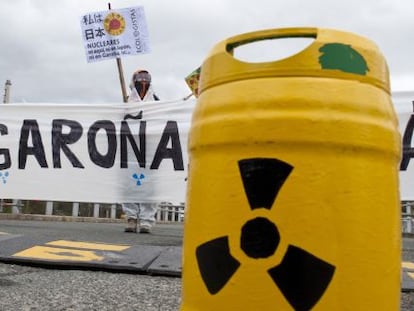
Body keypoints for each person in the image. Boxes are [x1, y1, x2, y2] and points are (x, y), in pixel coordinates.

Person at [123, 69, 160, 233]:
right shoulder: (125, 102)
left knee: (150, 186)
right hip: (130, 149)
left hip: (151, 150)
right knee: (129, 184)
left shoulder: (157, 102)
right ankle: (131, 217)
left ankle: (146, 220)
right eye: (139, 78)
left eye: (146, 77)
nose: (143, 81)